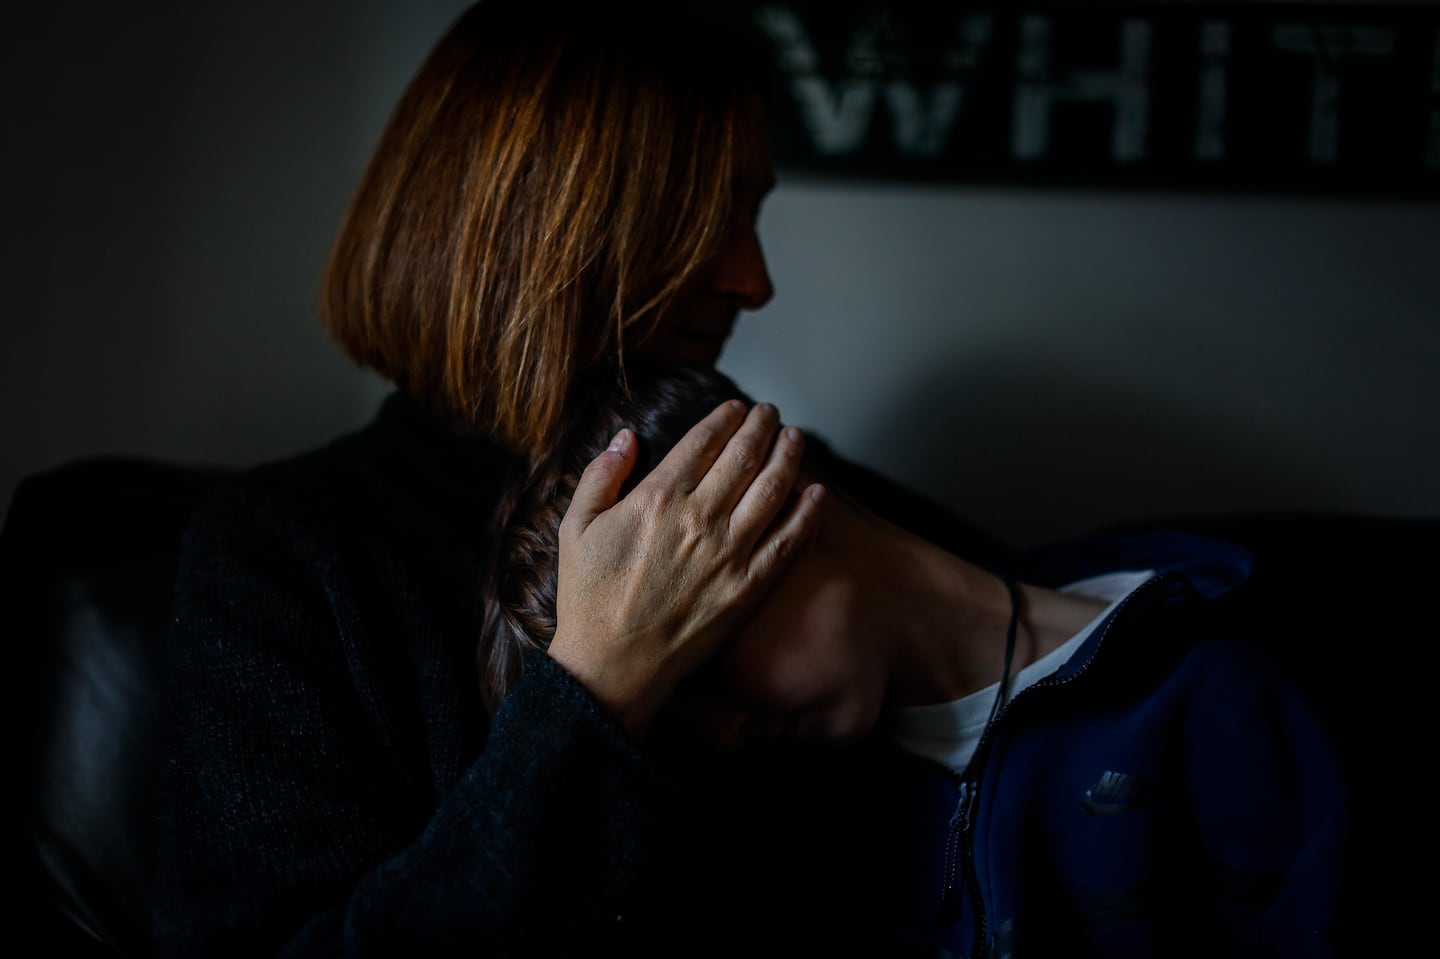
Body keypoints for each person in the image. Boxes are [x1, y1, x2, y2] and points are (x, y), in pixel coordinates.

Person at [151, 1, 1002, 956]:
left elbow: (1032, 615)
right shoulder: (285, 558)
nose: (754, 280)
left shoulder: (724, 473)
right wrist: (597, 690)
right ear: (544, 228)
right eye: (707, 215)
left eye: (751, 212)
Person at [485, 360, 1350, 957]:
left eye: (702, 657)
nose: (725, 730)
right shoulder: (788, 818)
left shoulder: (1220, 703)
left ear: (768, 510)